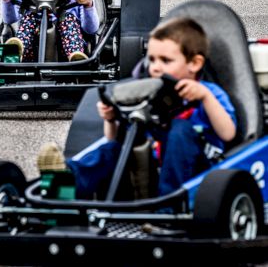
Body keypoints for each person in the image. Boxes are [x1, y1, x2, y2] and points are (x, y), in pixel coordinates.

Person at [37, 16, 237, 198]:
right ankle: (66, 182)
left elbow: (228, 134)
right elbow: (114, 138)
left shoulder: (208, 92)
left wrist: (206, 98)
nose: (155, 67)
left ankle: (167, 209)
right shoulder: (146, 92)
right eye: (152, 59)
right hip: (147, 164)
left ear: (194, 63)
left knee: (180, 130)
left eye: (165, 61)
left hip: (196, 171)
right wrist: (111, 118)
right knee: (111, 150)